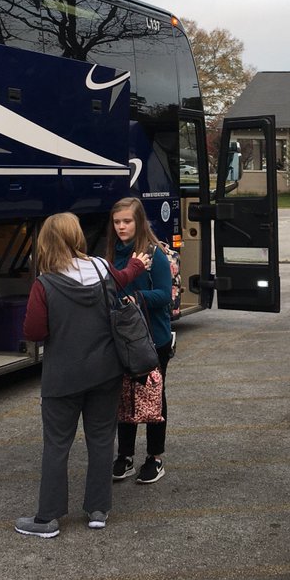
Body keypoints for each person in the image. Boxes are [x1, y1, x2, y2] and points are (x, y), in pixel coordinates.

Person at [15, 212, 151, 538]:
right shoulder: (102, 269)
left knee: (57, 445)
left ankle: (47, 518)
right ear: (77, 237)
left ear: (47, 241)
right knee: (102, 440)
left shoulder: (44, 283)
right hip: (106, 372)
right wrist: (136, 266)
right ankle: (98, 510)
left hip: (63, 376)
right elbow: (121, 278)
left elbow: (34, 331)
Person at [107, 198, 175, 486]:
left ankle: (155, 457)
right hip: (122, 339)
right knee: (125, 397)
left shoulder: (153, 254)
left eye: (127, 221)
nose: (121, 227)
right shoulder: (112, 254)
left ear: (139, 222)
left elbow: (165, 296)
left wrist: (137, 298)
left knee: (152, 397)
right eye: (117, 222)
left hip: (152, 340)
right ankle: (125, 456)